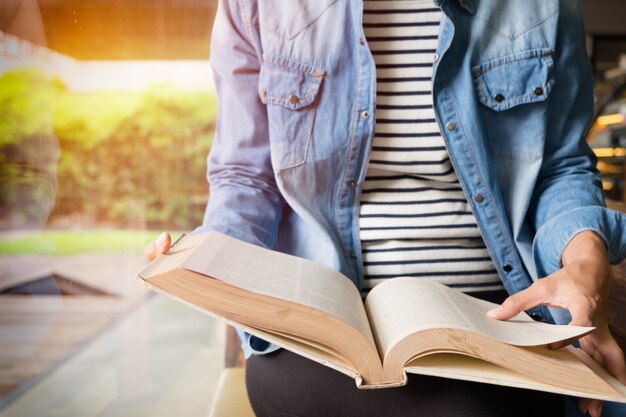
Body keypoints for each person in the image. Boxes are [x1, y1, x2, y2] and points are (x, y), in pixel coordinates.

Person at [145, 0, 626, 415]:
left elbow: (561, 165)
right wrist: (215, 259)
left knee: (481, 406)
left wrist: (585, 264)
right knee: (300, 391)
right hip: (322, 315)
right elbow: (244, 176)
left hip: (495, 312)